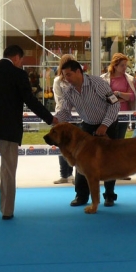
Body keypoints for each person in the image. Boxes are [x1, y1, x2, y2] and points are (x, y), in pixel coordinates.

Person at [0, 45, 56, 220]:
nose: (21, 63)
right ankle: (7, 211)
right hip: (10, 130)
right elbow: (31, 102)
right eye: (21, 60)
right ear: (17, 58)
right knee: (8, 170)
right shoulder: (19, 75)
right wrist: (50, 119)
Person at [53, 59, 120, 207]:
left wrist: (104, 125)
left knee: (110, 161)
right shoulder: (68, 90)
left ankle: (109, 195)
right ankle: (81, 196)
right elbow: (65, 111)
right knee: (81, 162)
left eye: (69, 74)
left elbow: (115, 105)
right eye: (64, 76)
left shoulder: (98, 83)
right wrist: (55, 120)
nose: (67, 79)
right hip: (87, 126)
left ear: (79, 71)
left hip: (108, 124)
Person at [52, 54, 76, 184]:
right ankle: (64, 174)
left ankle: (72, 173)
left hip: (76, 117)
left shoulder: (77, 80)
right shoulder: (57, 81)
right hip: (62, 116)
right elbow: (59, 99)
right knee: (62, 145)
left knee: (73, 145)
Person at [101, 53, 136, 140]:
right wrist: (123, 97)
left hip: (124, 114)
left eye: (125, 65)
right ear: (115, 66)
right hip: (109, 115)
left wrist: (119, 94)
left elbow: (132, 97)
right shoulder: (104, 79)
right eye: (122, 65)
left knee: (121, 139)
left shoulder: (130, 79)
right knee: (110, 140)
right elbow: (105, 97)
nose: (125, 67)